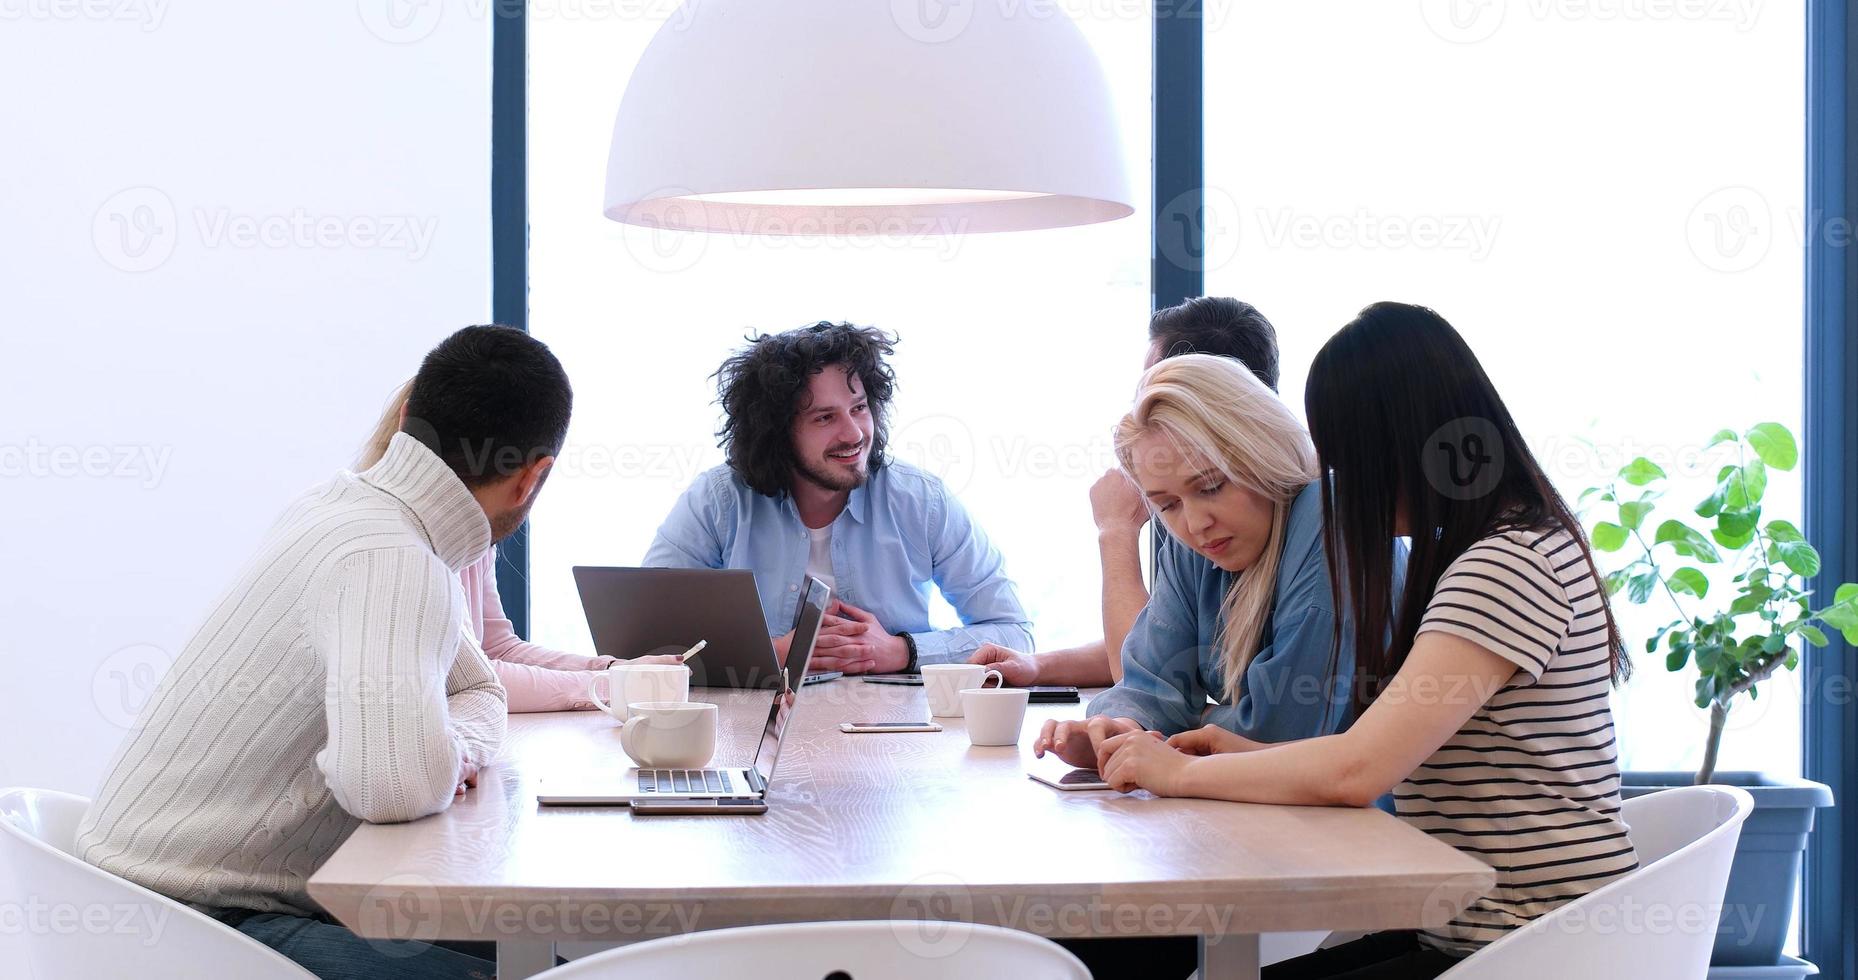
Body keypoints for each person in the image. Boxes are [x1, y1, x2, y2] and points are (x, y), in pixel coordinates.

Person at [1097, 303, 1638, 978]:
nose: (1336, 479)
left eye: (1346, 453)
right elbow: (1370, 752)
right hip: (1472, 931)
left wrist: (1182, 772)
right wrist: (1231, 752)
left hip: (1532, 949)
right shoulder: (1505, 544)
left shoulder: (1507, 564)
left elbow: (1359, 769)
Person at [75, 325, 575, 980]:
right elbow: (393, 786)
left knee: (546, 956)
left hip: (116, 893)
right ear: (531, 480)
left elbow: (479, 690)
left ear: (406, 414)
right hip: (188, 920)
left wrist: (447, 747)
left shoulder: (341, 511)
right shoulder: (393, 558)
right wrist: (441, 755)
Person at [1029, 353, 1362, 773]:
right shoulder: (1195, 542)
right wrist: (1112, 731)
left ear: (1264, 450)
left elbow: (1280, 734)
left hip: (1368, 828)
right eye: (1166, 505)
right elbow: (1151, 684)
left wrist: (1188, 723)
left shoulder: (1330, 521)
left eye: (1210, 486)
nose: (1194, 524)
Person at [644, 321, 1033, 673]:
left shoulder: (922, 501)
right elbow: (642, 642)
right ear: (777, 432)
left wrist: (903, 651)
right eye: (825, 418)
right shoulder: (717, 500)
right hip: (747, 736)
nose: (854, 434)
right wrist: (774, 653)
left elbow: (1015, 635)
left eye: (859, 408)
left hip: (895, 738)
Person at [970, 296, 1283, 687]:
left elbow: (1138, 676)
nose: (1143, 410)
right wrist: (1038, 666)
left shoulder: (1297, 524)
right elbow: (1154, 649)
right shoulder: (1196, 520)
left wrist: (1116, 531)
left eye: (1155, 393)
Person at [357, 381, 675, 712]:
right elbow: (466, 677)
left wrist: (611, 670)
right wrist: (615, 685)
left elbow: (496, 648)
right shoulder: (398, 542)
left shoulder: (472, 527)